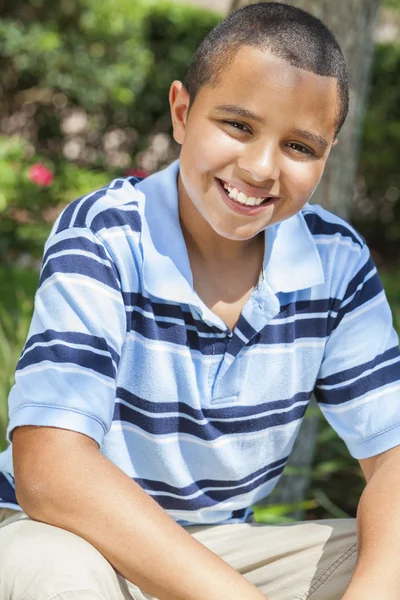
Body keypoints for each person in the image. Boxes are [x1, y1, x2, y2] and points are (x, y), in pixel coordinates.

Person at [0, 2, 400, 599]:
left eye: (299, 146)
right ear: (183, 113)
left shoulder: (334, 262)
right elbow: (50, 468)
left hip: (214, 550)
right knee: (64, 580)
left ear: (327, 154)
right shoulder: (107, 233)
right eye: (237, 125)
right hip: (61, 537)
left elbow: (394, 454)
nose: (261, 168)